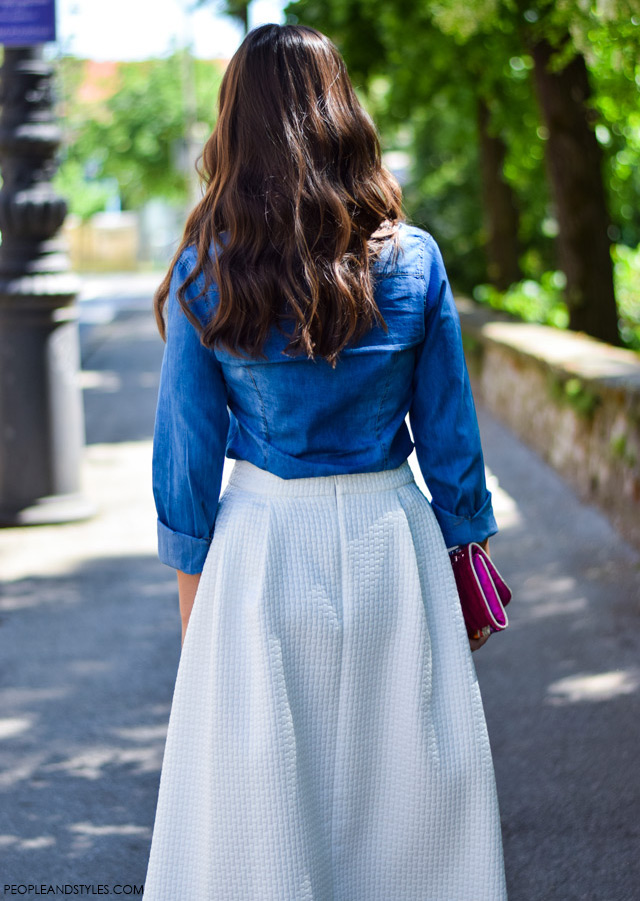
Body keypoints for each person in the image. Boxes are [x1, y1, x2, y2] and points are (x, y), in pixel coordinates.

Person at [142, 22, 508, 901]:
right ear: (342, 114)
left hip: (265, 550)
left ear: (236, 125)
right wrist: (472, 556)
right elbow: (450, 436)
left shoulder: (207, 270)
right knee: (411, 810)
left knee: (265, 812)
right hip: (395, 542)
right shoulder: (413, 259)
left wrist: (199, 625)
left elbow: (186, 465)